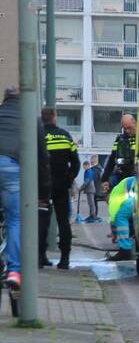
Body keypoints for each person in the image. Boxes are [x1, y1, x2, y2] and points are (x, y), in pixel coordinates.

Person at [0, 86, 51, 290]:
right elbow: (42, 158)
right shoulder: (32, 119)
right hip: (11, 167)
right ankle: (14, 270)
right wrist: (44, 193)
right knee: (15, 219)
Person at [39, 108, 80, 270]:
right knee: (63, 220)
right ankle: (65, 259)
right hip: (62, 183)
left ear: (42, 119)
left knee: (42, 220)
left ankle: (41, 257)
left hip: (43, 184)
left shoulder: (39, 135)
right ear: (55, 118)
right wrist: (69, 178)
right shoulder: (65, 135)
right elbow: (75, 163)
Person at [100, 114, 136, 193]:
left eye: (129, 128)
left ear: (135, 123)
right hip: (123, 180)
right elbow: (111, 160)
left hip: (138, 179)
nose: (127, 131)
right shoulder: (120, 140)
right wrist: (104, 179)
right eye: (124, 128)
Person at [105, 175, 135, 261]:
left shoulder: (114, 201)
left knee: (121, 217)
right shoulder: (117, 191)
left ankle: (125, 250)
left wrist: (115, 234)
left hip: (137, 193)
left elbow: (116, 221)